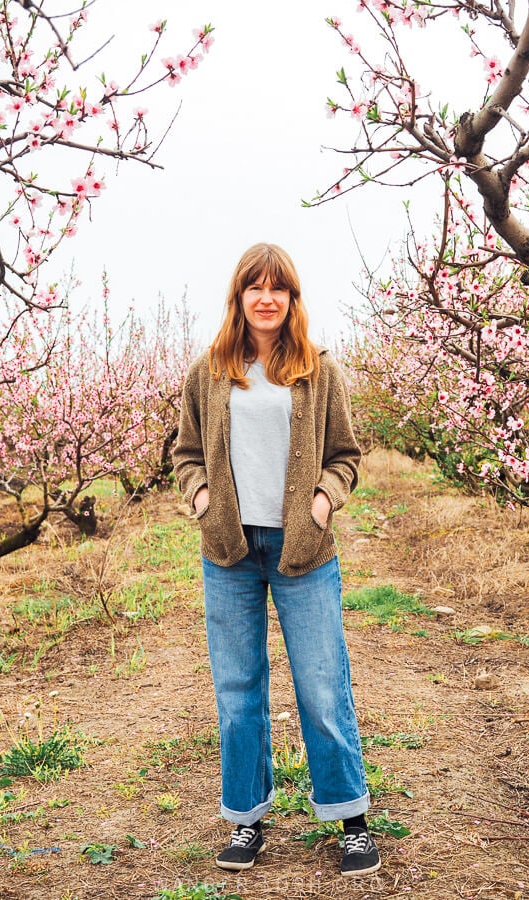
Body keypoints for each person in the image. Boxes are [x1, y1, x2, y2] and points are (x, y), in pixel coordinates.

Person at [172, 243, 380, 877]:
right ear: (238, 298)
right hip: (230, 551)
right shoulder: (209, 370)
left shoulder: (318, 370)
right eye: (253, 288)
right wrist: (202, 498)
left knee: (321, 686)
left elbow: (345, 454)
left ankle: (350, 819)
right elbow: (183, 453)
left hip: (303, 551)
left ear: (292, 299)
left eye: (278, 288)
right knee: (237, 690)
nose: (266, 298)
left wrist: (321, 503)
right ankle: (246, 820)